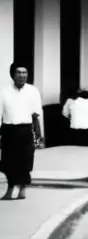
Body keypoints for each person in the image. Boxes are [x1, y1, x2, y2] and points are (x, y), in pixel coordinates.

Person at [1, 63, 43, 200]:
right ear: (12, 75)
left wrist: (39, 135)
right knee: (8, 162)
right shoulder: (4, 91)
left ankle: (22, 188)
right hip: (8, 130)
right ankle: (11, 187)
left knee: (26, 160)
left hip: (26, 130)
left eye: (25, 72)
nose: (22, 75)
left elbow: (36, 115)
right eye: (19, 72)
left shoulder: (33, 91)